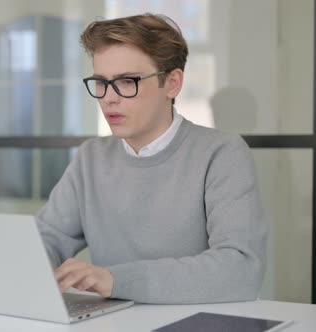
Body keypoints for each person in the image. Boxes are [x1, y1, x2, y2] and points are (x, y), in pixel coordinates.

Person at [36, 13, 266, 304]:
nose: (109, 98)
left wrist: (116, 280)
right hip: (114, 324)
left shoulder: (222, 154)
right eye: (101, 82)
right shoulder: (91, 157)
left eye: (127, 81)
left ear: (172, 84)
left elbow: (241, 270)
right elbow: (44, 239)